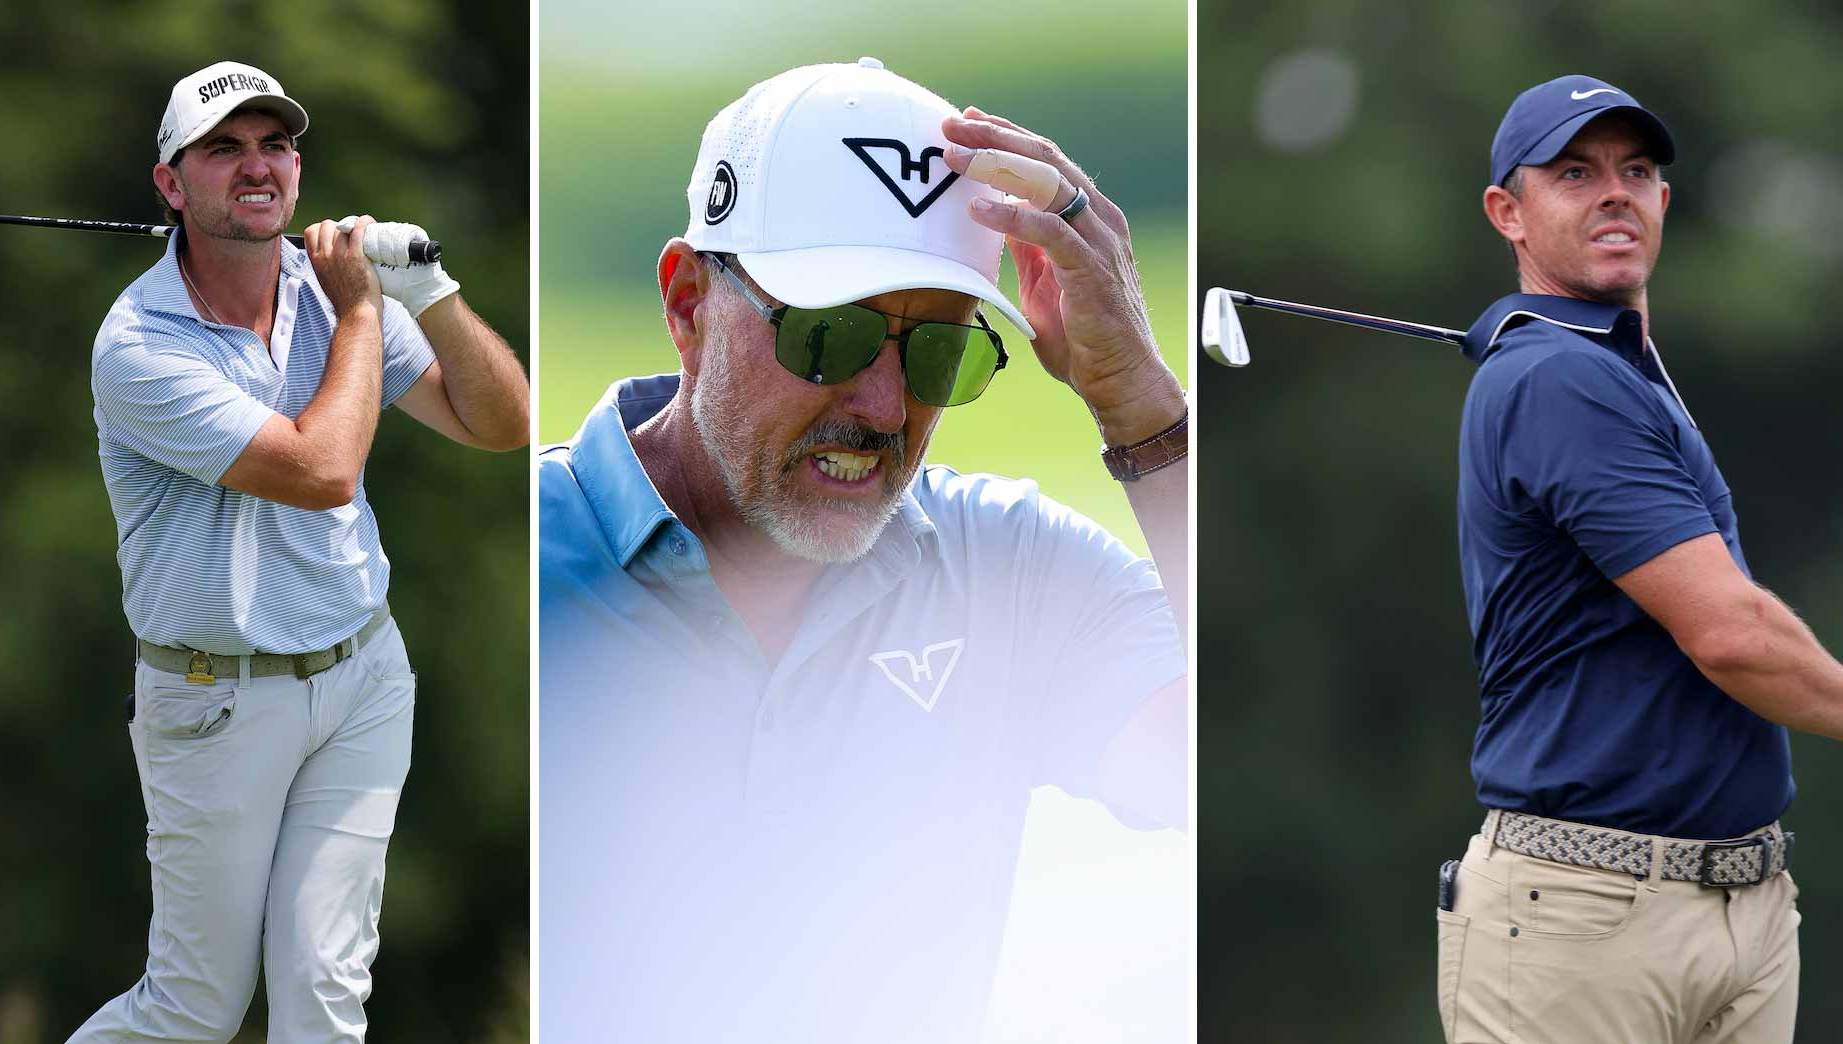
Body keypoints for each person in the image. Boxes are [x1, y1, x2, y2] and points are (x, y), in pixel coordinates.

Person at [539, 58, 1187, 1042]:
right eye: (827, 337)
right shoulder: (521, 560)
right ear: (686, 305)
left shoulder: (1006, 567)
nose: (884, 408)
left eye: (939, 351)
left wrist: (1142, 409)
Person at [75, 60, 527, 1043]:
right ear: (170, 182)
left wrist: (433, 294)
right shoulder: (141, 345)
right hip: (213, 701)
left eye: (274, 144)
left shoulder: (327, 291)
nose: (256, 166)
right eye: (222, 148)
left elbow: (502, 423)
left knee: (325, 987)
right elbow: (322, 468)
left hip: (363, 675)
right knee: (193, 1009)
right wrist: (365, 311)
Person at [1437, 74, 1843, 1044]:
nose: (1613, 191)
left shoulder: (1604, 368)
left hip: (1740, 906)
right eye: (1573, 173)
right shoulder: (1559, 379)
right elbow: (1728, 634)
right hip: (1581, 922)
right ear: (1508, 212)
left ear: (1663, 201)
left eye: (1635, 171)